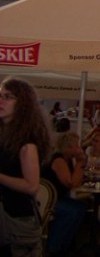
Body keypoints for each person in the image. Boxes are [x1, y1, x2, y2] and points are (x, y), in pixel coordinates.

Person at [0, 77, 52, 257]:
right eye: (0, 96)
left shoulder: (27, 144)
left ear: (23, 104)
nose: (1, 101)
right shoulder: (6, 136)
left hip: (16, 221)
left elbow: (31, 186)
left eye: (8, 97)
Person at [42, 132, 88, 257]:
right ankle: (54, 247)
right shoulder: (59, 160)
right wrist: (80, 163)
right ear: (68, 148)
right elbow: (71, 183)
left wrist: (79, 165)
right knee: (71, 211)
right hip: (48, 200)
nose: (78, 149)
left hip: (58, 197)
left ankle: (66, 243)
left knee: (81, 207)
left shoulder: (68, 160)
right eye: (76, 146)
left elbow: (76, 182)